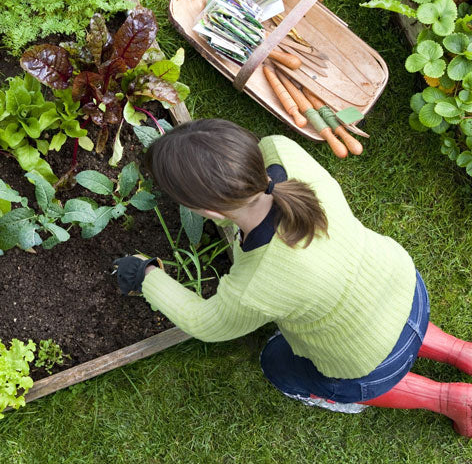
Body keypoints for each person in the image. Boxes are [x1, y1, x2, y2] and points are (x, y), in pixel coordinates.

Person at [113, 118, 472, 433]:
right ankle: (461, 351)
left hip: (367, 360)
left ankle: (450, 399)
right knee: (389, 322)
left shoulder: (257, 284)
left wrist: (146, 276)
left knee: (277, 364)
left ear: (208, 211)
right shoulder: (283, 151)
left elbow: (206, 323)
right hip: (405, 286)